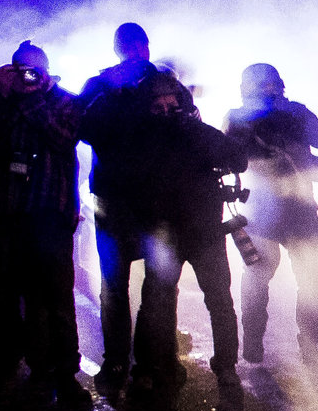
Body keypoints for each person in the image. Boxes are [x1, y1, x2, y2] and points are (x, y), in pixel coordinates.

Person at [85, 68, 248, 392]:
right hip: (165, 235)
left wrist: (193, 127)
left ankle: (226, 366)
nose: (164, 112)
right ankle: (154, 366)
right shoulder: (138, 139)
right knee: (157, 303)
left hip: (204, 232)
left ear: (181, 104)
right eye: (156, 106)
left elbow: (236, 159)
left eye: (171, 105)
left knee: (219, 300)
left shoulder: (195, 131)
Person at [0, 43, 91, 411]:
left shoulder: (65, 101)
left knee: (56, 301)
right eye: (19, 70)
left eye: (33, 72)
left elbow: (62, 137)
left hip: (48, 217)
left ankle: (62, 374)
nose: (26, 77)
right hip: (0, 219)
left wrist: (29, 99)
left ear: (47, 73)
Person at [77, 22, 171, 393]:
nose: (137, 52)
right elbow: (82, 127)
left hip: (146, 198)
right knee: (124, 285)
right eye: (133, 46)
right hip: (122, 199)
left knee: (147, 285)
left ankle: (135, 362)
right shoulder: (102, 86)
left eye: (140, 46)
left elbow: (182, 125)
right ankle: (126, 362)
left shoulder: (160, 81)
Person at [226, 63, 318, 366]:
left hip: (276, 210)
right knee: (286, 278)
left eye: (272, 85)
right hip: (277, 210)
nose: (270, 90)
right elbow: (230, 158)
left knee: (273, 278)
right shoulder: (257, 116)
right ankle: (281, 343)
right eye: (266, 85)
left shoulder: (246, 117)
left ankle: (269, 344)